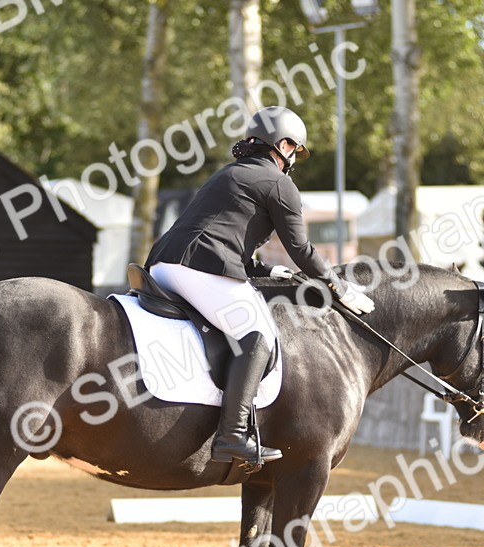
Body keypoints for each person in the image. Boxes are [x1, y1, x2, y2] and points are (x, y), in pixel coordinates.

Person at [145, 106, 374, 465]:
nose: (293, 160)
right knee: (257, 336)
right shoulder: (279, 183)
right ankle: (232, 435)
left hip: (163, 264)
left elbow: (222, 232)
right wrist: (339, 287)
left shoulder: (230, 173)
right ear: (283, 144)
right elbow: (301, 249)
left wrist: (266, 269)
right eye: (294, 151)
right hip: (197, 267)